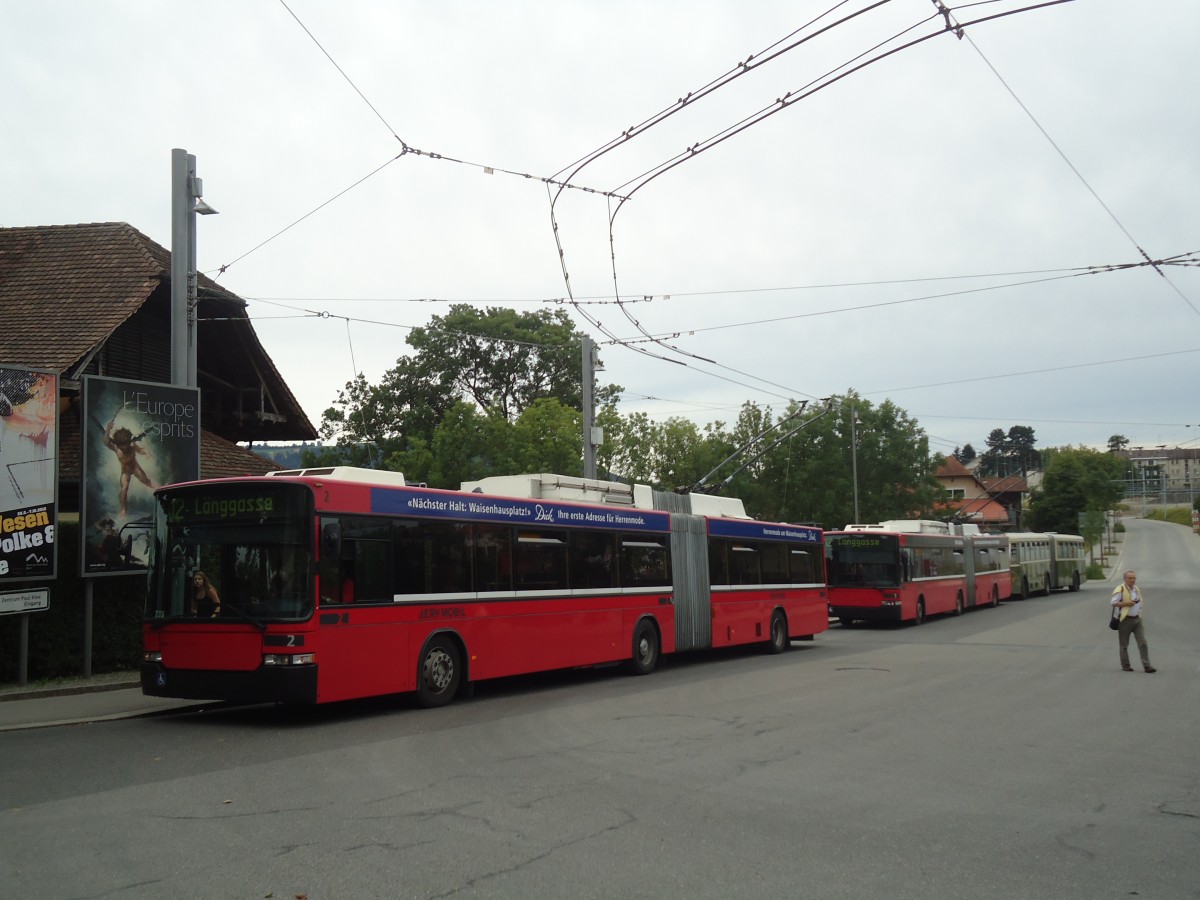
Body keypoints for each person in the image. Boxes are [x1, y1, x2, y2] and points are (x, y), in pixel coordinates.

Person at [102, 414, 157, 518]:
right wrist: (108, 429)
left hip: (135, 467)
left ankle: (162, 489)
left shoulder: (131, 445)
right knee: (124, 489)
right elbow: (105, 442)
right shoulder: (116, 448)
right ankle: (123, 509)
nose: (124, 447)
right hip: (125, 470)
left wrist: (147, 453)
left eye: (126, 444)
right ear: (118, 444)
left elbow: (141, 450)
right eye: (122, 445)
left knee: (147, 482)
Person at [1110, 569, 1155, 673]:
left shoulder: (1136, 589)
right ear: (1125, 579)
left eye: (1134, 578)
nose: (1132, 580)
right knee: (1124, 645)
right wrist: (1127, 603)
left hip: (1137, 619)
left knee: (1143, 643)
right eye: (1130, 578)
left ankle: (1147, 666)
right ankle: (1126, 665)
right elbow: (1113, 602)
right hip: (1125, 620)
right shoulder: (1120, 589)